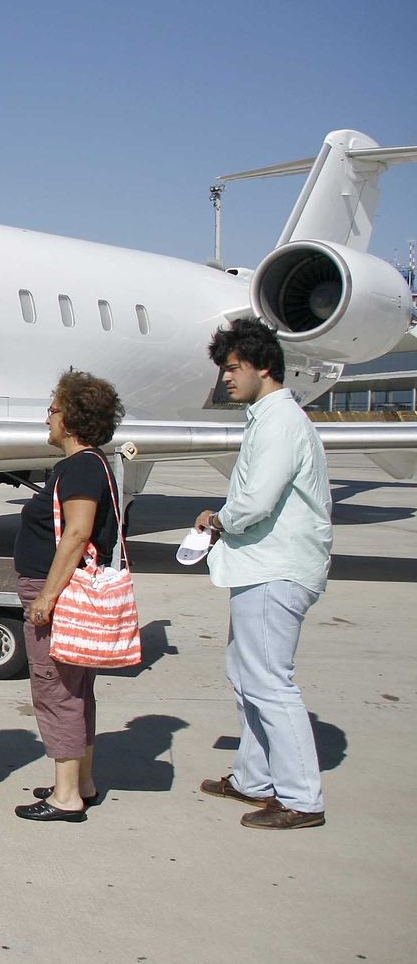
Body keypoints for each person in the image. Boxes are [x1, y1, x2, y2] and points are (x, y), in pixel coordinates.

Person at [195, 319, 332, 830]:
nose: (226, 378)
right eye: (224, 369)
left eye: (234, 368)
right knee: (247, 674)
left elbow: (257, 499)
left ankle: (301, 798)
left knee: (271, 681)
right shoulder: (267, 417)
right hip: (261, 565)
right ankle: (254, 778)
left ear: (264, 367)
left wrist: (218, 519)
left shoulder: (280, 422)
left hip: (277, 568)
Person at [10, 371, 126, 821]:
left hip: (56, 593)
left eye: (54, 410)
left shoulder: (80, 468)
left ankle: (65, 796)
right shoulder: (90, 465)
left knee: (55, 689)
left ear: (73, 418)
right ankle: (81, 780)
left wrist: (46, 598)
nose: (48, 418)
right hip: (65, 592)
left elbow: (76, 535)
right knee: (76, 691)